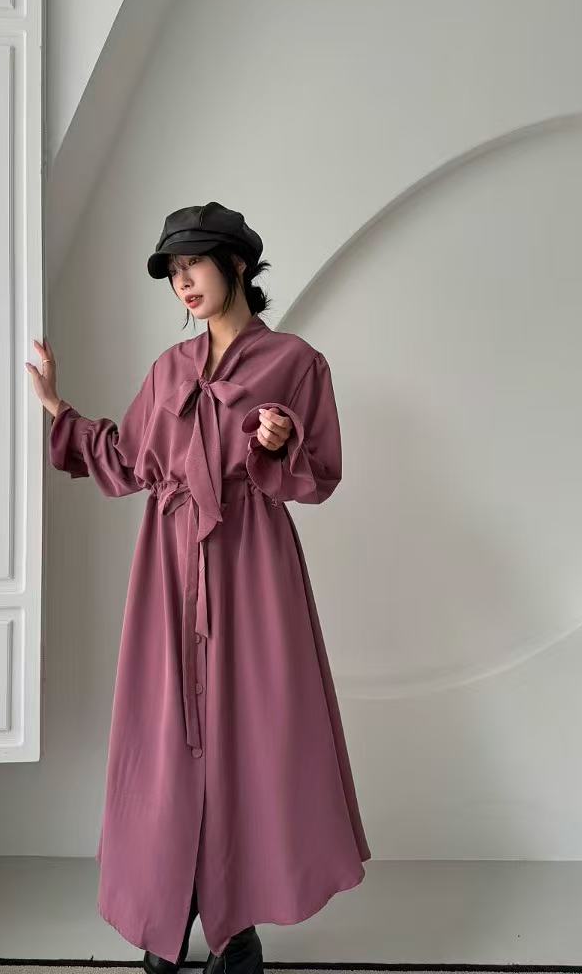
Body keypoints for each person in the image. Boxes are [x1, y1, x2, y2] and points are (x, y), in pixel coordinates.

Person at [26, 202, 371, 974]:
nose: (183, 281)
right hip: (168, 565)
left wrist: (279, 442)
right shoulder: (169, 370)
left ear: (237, 265)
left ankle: (236, 926)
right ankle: (169, 910)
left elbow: (320, 476)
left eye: (195, 264)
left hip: (252, 567)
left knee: (250, 736)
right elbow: (129, 461)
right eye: (173, 271)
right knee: (166, 737)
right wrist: (56, 407)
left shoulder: (295, 363)